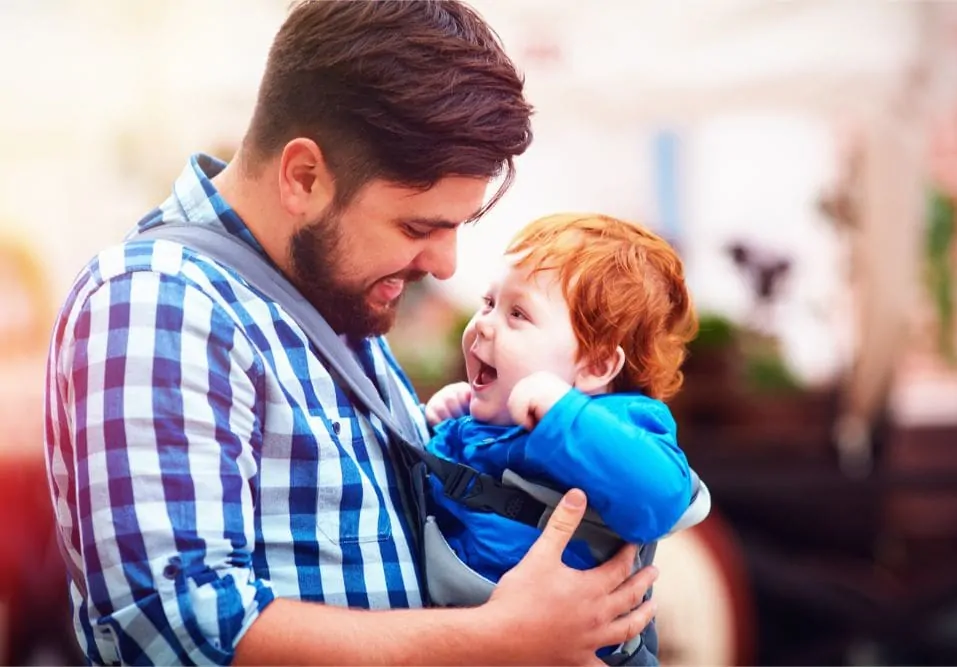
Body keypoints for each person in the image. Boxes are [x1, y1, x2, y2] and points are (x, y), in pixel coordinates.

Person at [42, 2, 660, 665]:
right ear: (305, 177)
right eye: (417, 227)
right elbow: (175, 623)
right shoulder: (160, 296)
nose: (444, 265)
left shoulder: (328, 297)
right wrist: (496, 640)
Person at [423, 214, 699, 659]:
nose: (485, 324)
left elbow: (663, 496)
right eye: (489, 302)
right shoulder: (491, 426)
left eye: (518, 314)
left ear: (595, 367)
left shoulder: (619, 425)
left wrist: (564, 414)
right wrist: (446, 432)